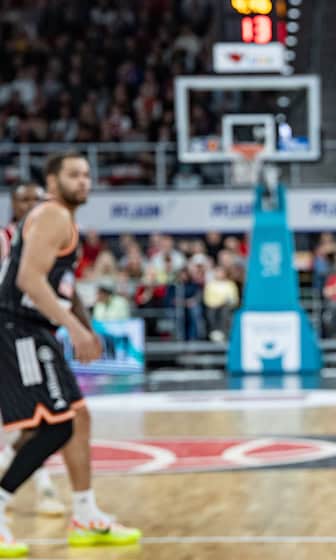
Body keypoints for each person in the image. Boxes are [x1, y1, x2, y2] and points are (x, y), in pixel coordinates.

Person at [0, 153, 141, 555]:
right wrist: (76, 329)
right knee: (55, 426)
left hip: (36, 328)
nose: (83, 181)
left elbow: (61, 283)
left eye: (86, 174)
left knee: (78, 417)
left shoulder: (65, 220)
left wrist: (86, 326)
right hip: (18, 328)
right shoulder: (53, 215)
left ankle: (85, 512)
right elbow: (29, 279)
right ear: (52, 179)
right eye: (73, 175)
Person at [0, 182, 65, 518]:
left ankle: (42, 487)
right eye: (22, 199)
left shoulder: (48, 240)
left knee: (39, 416)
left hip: (28, 335)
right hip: (11, 332)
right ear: (12, 204)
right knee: (41, 416)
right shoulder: (5, 239)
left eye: (34, 200)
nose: (29, 205)